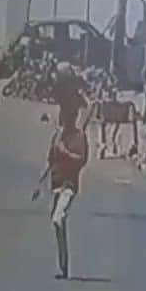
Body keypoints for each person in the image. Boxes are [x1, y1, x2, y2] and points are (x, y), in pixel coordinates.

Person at [34, 117, 89, 279]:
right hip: (56, 183)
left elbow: (82, 160)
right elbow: (50, 161)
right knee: (57, 224)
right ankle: (63, 266)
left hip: (69, 184)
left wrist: (66, 152)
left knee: (58, 219)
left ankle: (64, 265)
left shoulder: (80, 137)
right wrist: (40, 184)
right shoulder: (57, 137)